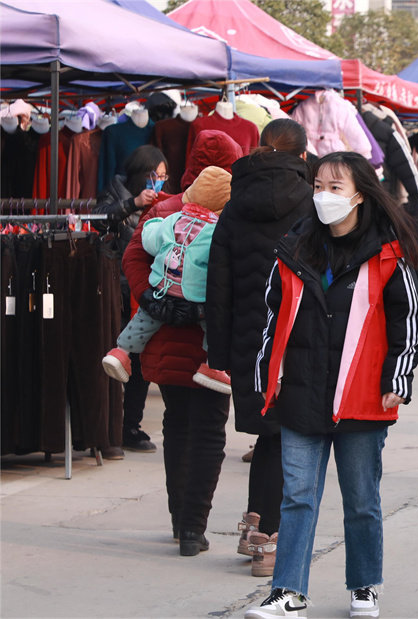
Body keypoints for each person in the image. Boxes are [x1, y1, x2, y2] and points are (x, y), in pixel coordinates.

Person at [245, 151, 418, 619]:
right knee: (297, 497)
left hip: (362, 397)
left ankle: (364, 585)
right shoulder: (295, 248)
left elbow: (408, 323)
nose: (323, 196)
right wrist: (266, 379)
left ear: (359, 195)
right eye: (318, 185)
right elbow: (271, 319)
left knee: (361, 500)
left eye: (335, 188)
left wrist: (398, 377)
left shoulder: (388, 255)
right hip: (301, 393)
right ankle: (288, 592)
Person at [122, 129, 243, 557]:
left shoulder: (165, 208)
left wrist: (152, 298)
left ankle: (179, 522)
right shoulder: (235, 215)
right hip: (214, 345)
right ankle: (193, 528)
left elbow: (133, 257)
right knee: (209, 429)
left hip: (164, 335)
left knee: (176, 422)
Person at [205, 119, 314, 577]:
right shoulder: (312, 203)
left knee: (268, 434)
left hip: (250, 339)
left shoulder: (234, 204)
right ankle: (269, 540)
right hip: (297, 336)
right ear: (303, 157)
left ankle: (255, 523)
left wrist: (221, 353)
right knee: (286, 437)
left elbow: (219, 283)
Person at [102, 198, 232, 395]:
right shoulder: (219, 228)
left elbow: (141, 248)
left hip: (162, 291)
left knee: (145, 318)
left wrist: (147, 298)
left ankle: (120, 352)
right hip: (196, 298)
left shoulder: (168, 214)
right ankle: (212, 366)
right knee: (214, 327)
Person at [93, 145, 167, 456]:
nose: (160, 183)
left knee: (139, 365)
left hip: (143, 293)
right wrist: (133, 203)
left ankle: (130, 427)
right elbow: (99, 220)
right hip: (115, 291)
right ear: (142, 174)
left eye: (164, 177)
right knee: (114, 361)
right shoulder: (116, 191)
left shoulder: (162, 202)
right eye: (156, 176)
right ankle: (107, 428)